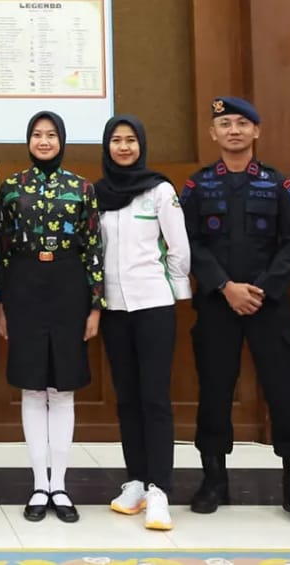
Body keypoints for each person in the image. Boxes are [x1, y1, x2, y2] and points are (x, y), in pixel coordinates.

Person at [180, 97, 290, 526]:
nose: (234, 130)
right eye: (225, 123)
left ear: (257, 132)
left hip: (268, 305)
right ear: (213, 133)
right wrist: (225, 286)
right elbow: (189, 243)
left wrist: (260, 290)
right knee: (215, 392)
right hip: (218, 305)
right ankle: (213, 481)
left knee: (284, 395)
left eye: (243, 123)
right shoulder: (198, 187)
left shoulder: (278, 185)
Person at [0, 111, 103, 524]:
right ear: (28, 141)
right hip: (23, 288)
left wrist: (95, 304)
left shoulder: (82, 188)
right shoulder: (10, 189)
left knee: (62, 390)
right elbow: (1, 250)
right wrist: (2, 303)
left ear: (62, 140)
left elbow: (93, 246)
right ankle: (38, 483)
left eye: (51, 134)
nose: (44, 141)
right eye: (37, 135)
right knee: (31, 388)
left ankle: (60, 484)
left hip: (68, 288)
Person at [95, 114, 190, 532]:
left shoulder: (159, 190)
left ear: (141, 145)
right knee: (127, 398)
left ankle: (160, 490)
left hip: (153, 305)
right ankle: (134, 480)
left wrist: (175, 295)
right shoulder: (97, 194)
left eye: (131, 140)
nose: (123, 147)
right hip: (114, 307)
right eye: (116, 140)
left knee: (154, 399)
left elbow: (178, 249)